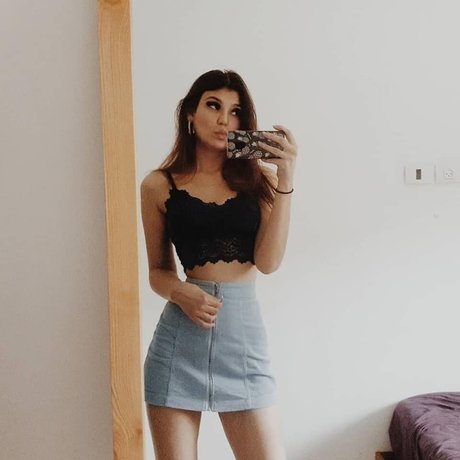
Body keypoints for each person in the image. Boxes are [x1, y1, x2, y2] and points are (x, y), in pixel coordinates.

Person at [140, 69, 297, 459]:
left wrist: (286, 180)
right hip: (178, 348)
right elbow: (158, 271)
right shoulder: (158, 185)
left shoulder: (259, 182)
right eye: (213, 105)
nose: (224, 119)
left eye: (236, 111)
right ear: (190, 114)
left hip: (243, 345)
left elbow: (268, 263)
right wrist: (182, 293)